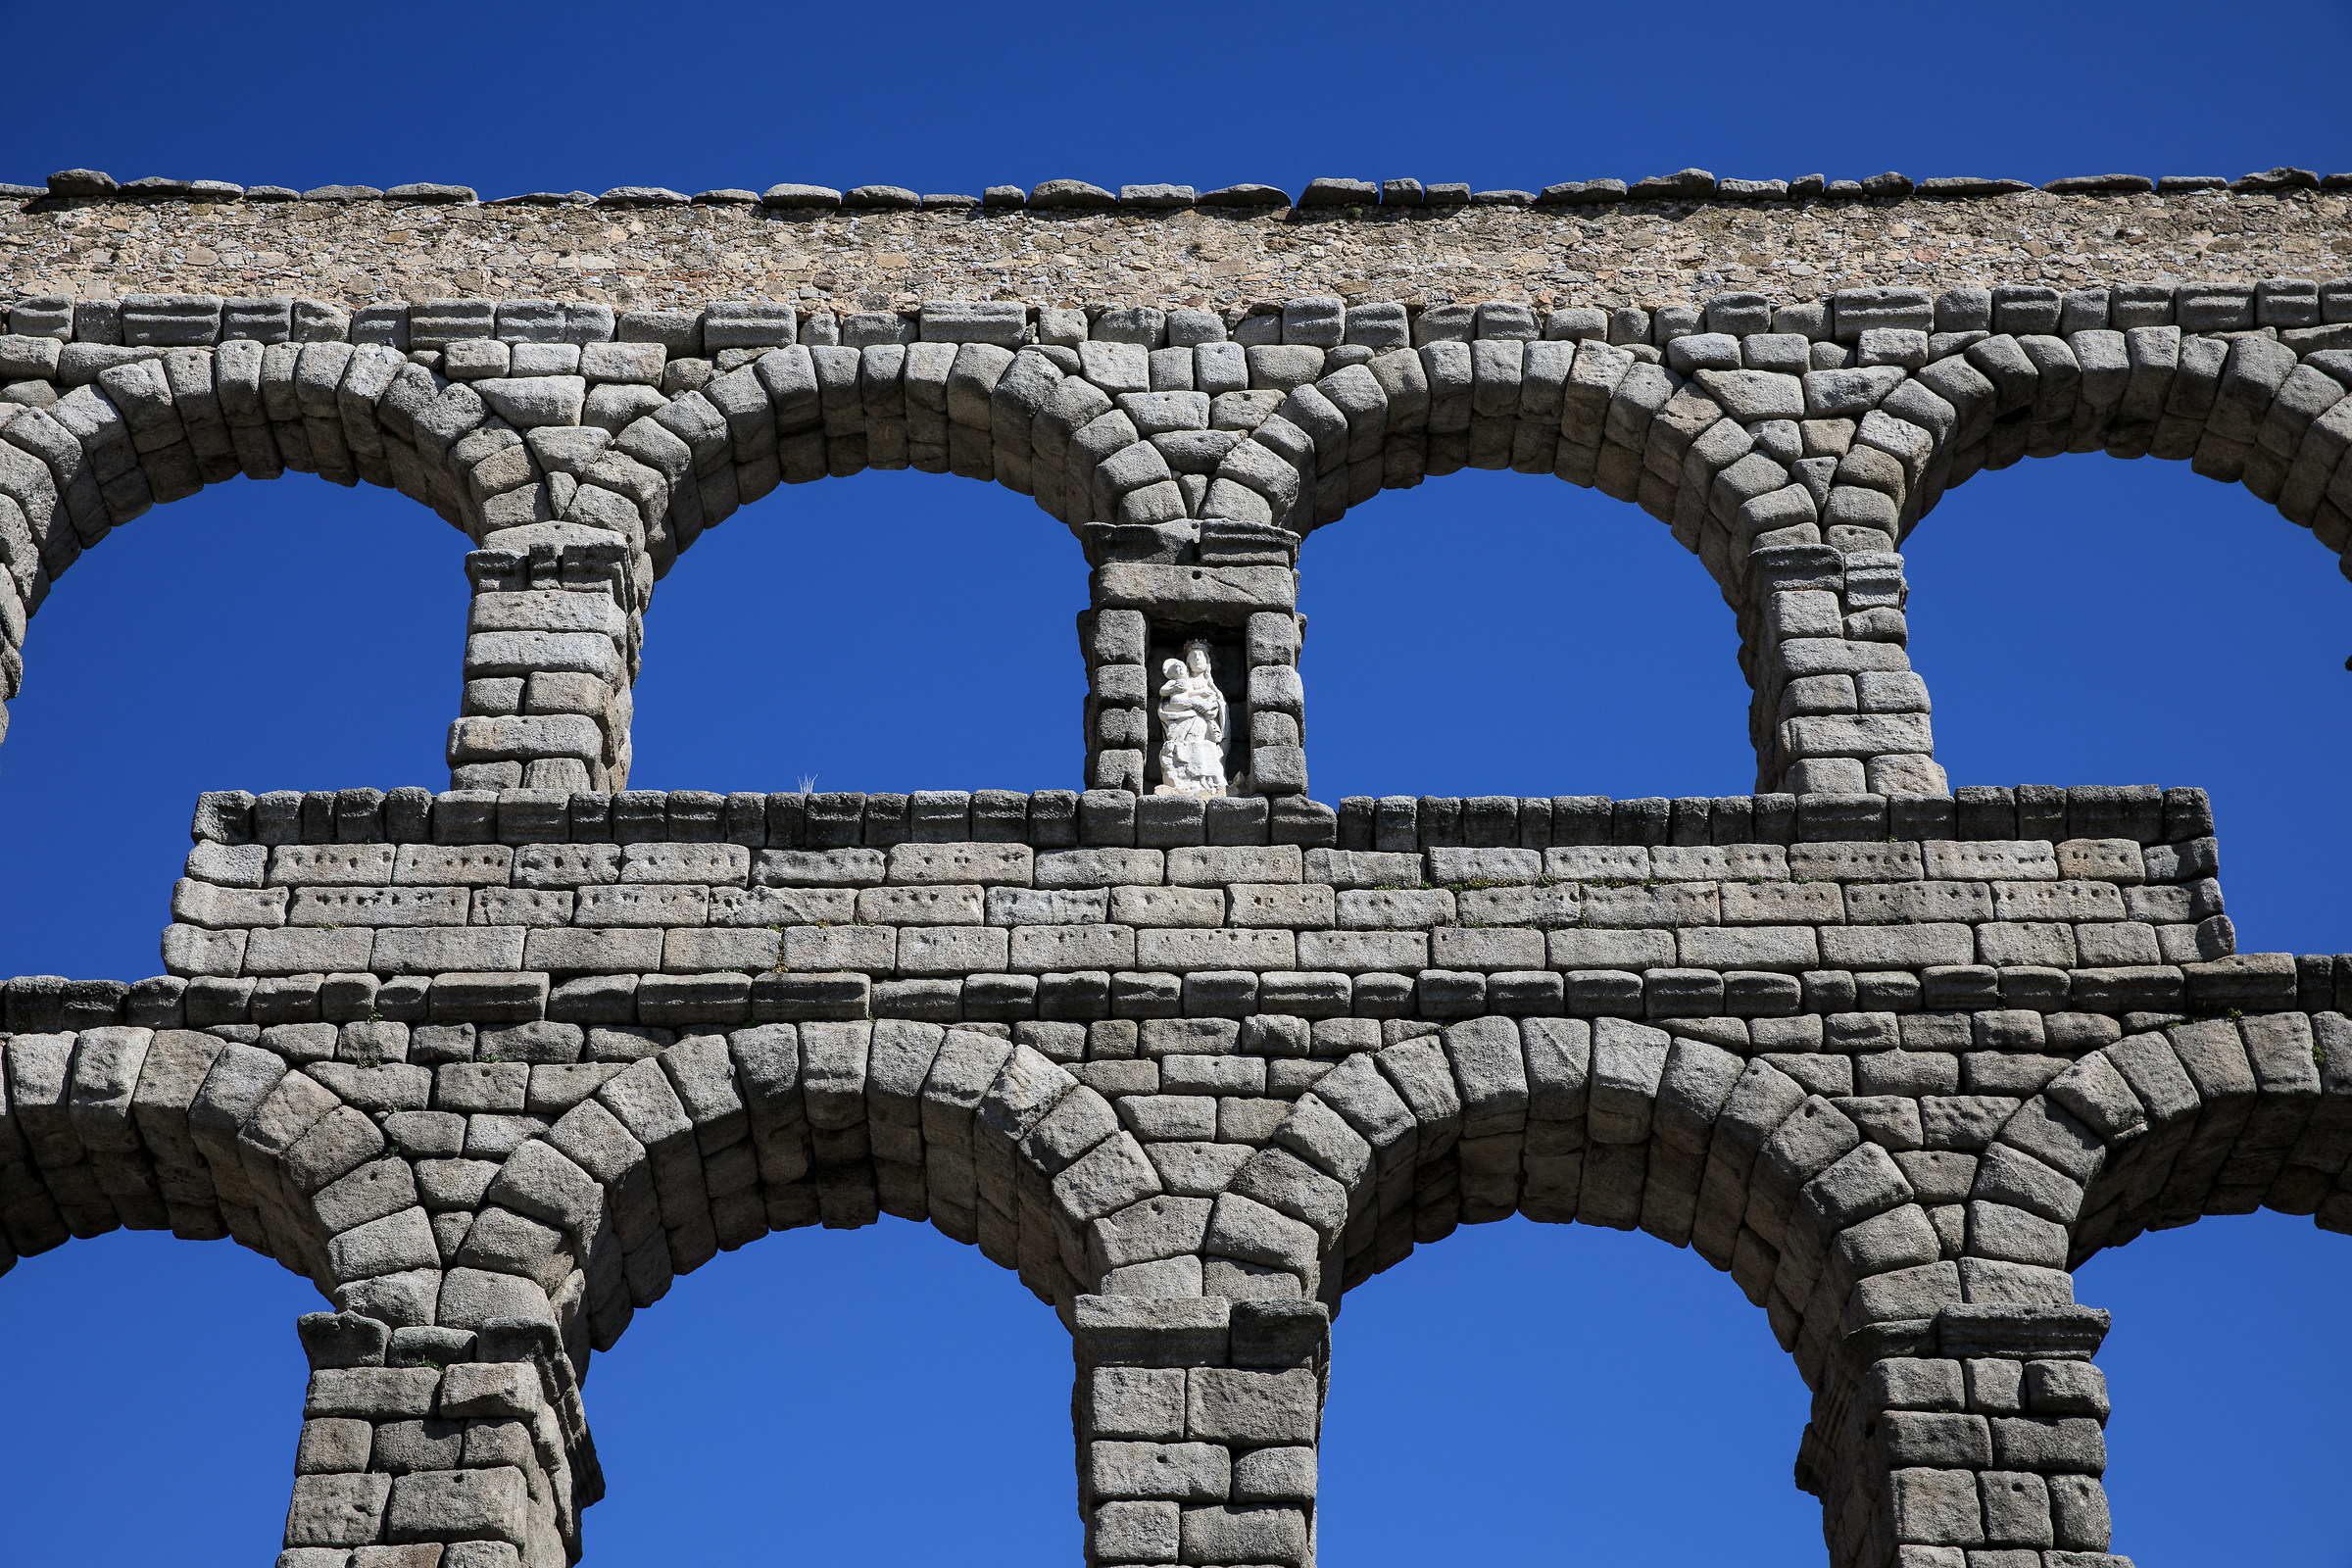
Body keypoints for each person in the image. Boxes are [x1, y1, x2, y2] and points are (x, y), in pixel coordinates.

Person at [1155, 641, 1227, 795]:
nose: (1198, 659)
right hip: (1183, 721)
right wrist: (1193, 705)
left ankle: (1208, 782)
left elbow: (1219, 707)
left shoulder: (1211, 686)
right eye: (1193, 656)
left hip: (1206, 727)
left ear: (1208, 661)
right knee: (1190, 746)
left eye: (1201, 656)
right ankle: (1187, 781)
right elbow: (1167, 705)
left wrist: (1211, 707)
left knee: (1205, 748)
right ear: (1187, 662)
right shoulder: (1181, 681)